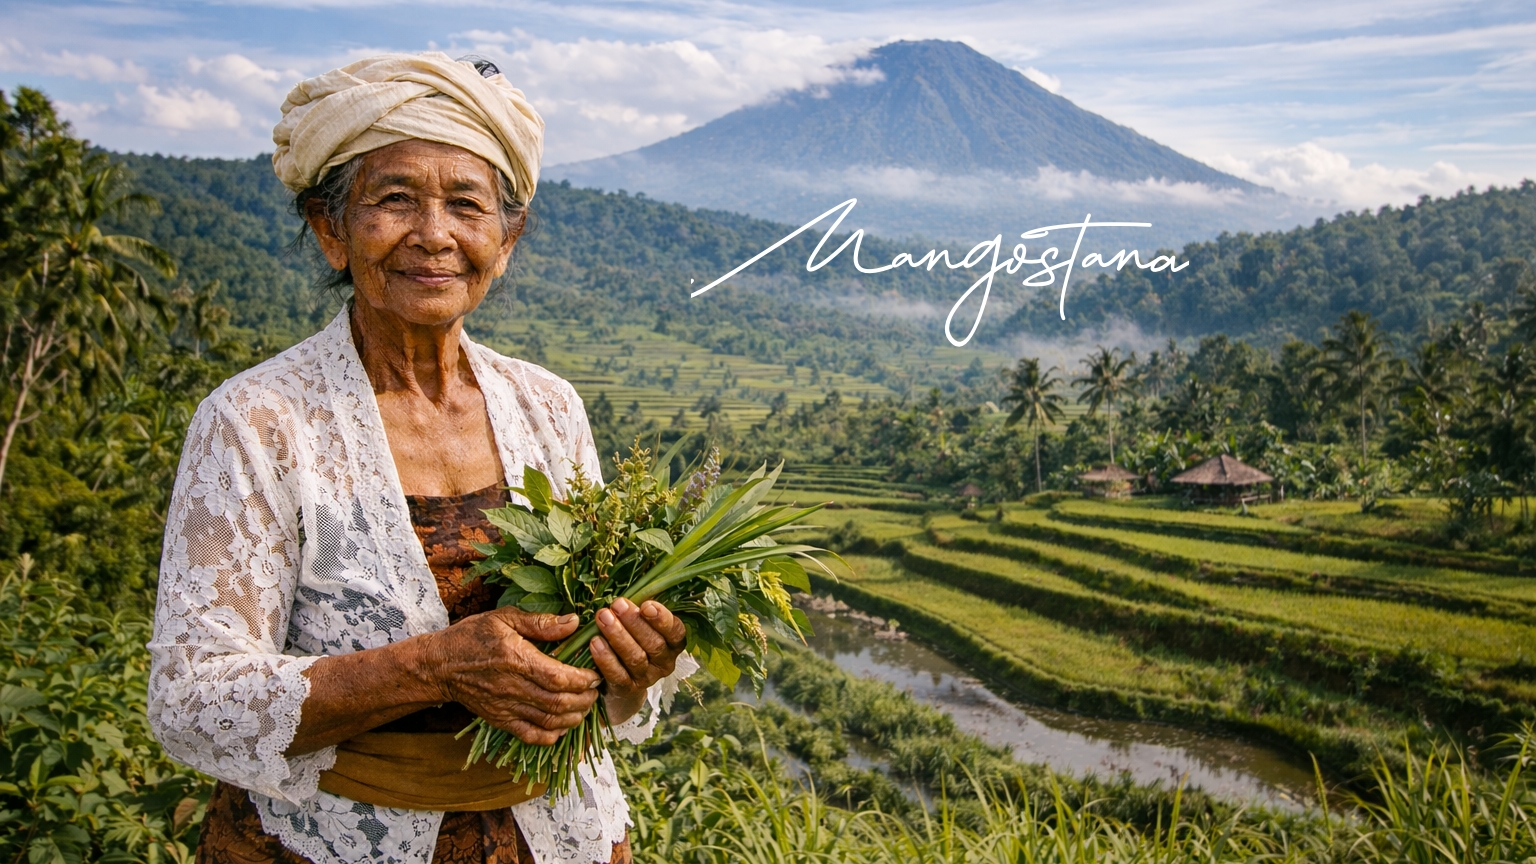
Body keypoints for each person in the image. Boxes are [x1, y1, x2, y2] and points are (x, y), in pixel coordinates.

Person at [147, 52, 696, 864]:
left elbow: (602, 674)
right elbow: (192, 701)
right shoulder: (258, 421)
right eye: (393, 199)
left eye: (467, 204)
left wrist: (634, 662)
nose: (433, 234)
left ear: (505, 241)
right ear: (331, 230)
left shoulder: (549, 407)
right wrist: (434, 667)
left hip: (561, 835)